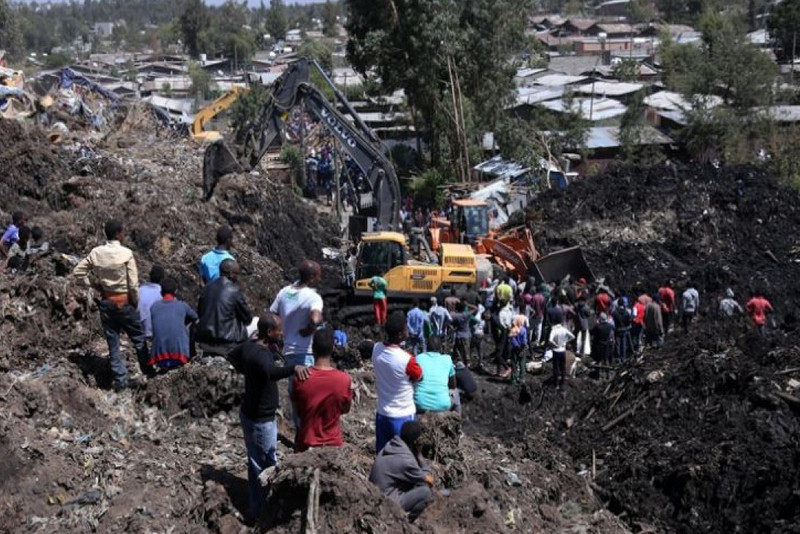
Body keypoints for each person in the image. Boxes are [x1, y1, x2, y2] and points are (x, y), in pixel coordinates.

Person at [229, 315, 310, 522]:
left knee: (256, 461)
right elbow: (272, 372)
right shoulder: (261, 357)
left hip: (251, 414)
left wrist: (249, 372)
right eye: (279, 330)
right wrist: (293, 368)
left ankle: (259, 507)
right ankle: (262, 512)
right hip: (260, 421)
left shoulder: (250, 346)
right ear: (268, 333)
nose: (281, 333)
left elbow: (232, 355)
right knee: (265, 466)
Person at [73, 220, 152, 391]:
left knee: (113, 341)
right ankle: (148, 372)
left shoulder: (97, 253)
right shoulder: (126, 254)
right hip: (124, 302)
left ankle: (120, 380)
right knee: (138, 339)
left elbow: (78, 272)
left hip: (107, 302)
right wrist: (135, 302)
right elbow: (133, 285)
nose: (124, 235)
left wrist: (93, 284)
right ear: (117, 233)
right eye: (123, 232)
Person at [270, 260, 324, 427]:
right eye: (319, 276)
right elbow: (315, 317)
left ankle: (300, 436)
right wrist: (311, 327)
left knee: (295, 397)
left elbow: (272, 315)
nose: (320, 279)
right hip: (305, 355)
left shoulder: (284, 292)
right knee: (308, 399)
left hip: (288, 353)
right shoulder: (313, 297)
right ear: (312, 277)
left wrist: (276, 336)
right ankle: (307, 439)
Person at [292, 328, 353, 452]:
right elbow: (345, 410)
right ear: (332, 349)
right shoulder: (344, 380)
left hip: (306, 444)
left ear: (313, 349)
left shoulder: (300, 378)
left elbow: (297, 411)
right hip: (333, 445)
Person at [373, 311, 423, 454]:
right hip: (403, 416)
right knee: (404, 456)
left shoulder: (376, 350)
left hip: (382, 414)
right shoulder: (407, 359)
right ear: (401, 335)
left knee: (382, 455)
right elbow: (420, 376)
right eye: (406, 328)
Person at [369, 421, 434, 522]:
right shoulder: (406, 460)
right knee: (425, 492)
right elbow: (429, 481)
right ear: (415, 442)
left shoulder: (391, 445)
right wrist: (419, 456)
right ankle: (406, 522)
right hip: (385, 505)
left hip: (374, 497)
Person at [197, 259, 255, 354]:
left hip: (204, 340)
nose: (238, 277)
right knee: (257, 323)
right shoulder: (234, 290)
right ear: (232, 274)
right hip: (226, 342)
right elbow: (248, 319)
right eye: (237, 273)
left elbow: (200, 313)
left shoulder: (207, 287)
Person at [147, 277, 198, 370]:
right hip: (180, 355)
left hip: (159, 356)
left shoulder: (154, 307)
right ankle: (190, 353)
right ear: (175, 291)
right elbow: (195, 317)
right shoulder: (182, 305)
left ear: (161, 292)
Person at [413, 336, 456, 413]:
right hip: (442, 405)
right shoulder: (447, 359)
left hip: (420, 403)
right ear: (441, 348)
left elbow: (413, 380)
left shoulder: (418, 358)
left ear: (426, 346)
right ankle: (457, 420)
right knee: (456, 393)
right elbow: (453, 385)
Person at [137, 264, 165, 339]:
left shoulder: (140, 290)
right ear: (162, 279)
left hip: (140, 328)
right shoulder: (162, 292)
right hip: (156, 330)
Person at [549, 317, 575, 390]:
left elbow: (550, 340)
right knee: (562, 367)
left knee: (556, 368)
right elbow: (573, 336)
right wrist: (566, 341)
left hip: (556, 351)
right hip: (563, 351)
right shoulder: (564, 329)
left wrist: (555, 344)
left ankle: (556, 384)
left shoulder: (554, 330)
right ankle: (562, 383)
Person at [591, 313, 615, 378]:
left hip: (599, 345)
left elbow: (592, 333)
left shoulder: (598, 326)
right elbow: (612, 333)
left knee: (598, 360)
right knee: (606, 360)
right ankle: (608, 374)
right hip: (606, 345)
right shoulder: (610, 326)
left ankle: (598, 375)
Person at [508, 315, 528, 384]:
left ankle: (514, 379)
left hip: (515, 349)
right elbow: (524, 341)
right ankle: (522, 379)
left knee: (514, 364)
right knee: (522, 364)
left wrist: (517, 345)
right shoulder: (523, 330)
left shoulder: (513, 329)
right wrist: (522, 347)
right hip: (522, 349)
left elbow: (512, 339)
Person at [612, 297, 633, 362]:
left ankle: (618, 357)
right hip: (624, 329)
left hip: (617, 329)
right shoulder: (626, 312)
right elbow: (629, 321)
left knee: (617, 343)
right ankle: (623, 357)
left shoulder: (614, 312)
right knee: (623, 344)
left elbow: (613, 321)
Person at [470, 302, 486, 368]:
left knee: (471, 348)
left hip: (475, 334)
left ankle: (469, 362)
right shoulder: (483, 321)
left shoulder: (476, 318)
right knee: (480, 349)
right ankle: (480, 362)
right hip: (481, 334)